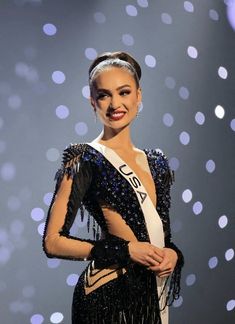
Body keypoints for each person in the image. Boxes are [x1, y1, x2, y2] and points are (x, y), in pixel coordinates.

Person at [42, 51, 184, 324]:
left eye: (124, 92)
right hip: (106, 297)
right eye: (104, 95)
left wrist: (173, 254)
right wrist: (124, 250)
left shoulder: (156, 162)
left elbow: (159, 236)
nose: (114, 103)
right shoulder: (84, 158)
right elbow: (52, 241)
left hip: (149, 294)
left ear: (139, 96)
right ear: (92, 102)